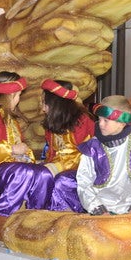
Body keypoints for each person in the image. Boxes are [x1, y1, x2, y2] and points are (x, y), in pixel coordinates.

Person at [0, 72, 54, 216]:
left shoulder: (10, 119)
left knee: (44, 174)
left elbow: (19, 149)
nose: (18, 100)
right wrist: (12, 150)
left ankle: (36, 217)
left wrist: (24, 155)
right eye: (18, 95)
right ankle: (4, 216)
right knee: (24, 172)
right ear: (9, 95)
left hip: (8, 167)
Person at [76, 95, 131, 215]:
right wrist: (97, 208)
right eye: (99, 119)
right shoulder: (92, 147)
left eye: (106, 120)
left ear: (122, 124)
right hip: (101, 206)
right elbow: (84, 182)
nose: (100, 124)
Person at [39, 79, 94, 212]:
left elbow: (87, 155)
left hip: (80, 169)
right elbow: (52, 151)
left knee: (58, 180)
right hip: (59, 165)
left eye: (44, 101)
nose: (42, 107)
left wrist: (56, 167)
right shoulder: (51, 121)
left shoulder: (82, 120)